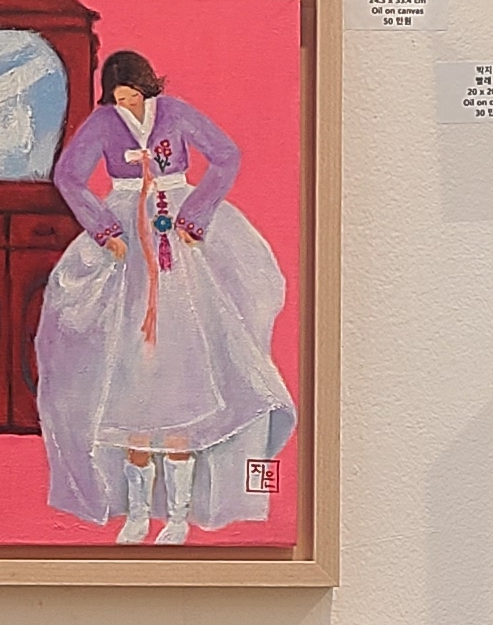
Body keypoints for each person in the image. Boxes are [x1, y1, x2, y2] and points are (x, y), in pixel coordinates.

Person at [35, 49, 297, 543]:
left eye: (132, 96)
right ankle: (137, 512)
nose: (126, 105)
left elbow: (226, 155)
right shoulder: (103, 123)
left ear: (146, 87)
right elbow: (67, 176)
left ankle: (178, 515)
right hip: (126, 232)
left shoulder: (175, 113)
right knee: (127, 358)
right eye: (118, 99)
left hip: (175, 226)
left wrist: (196, 215)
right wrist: (103, 228)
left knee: (190, 347)